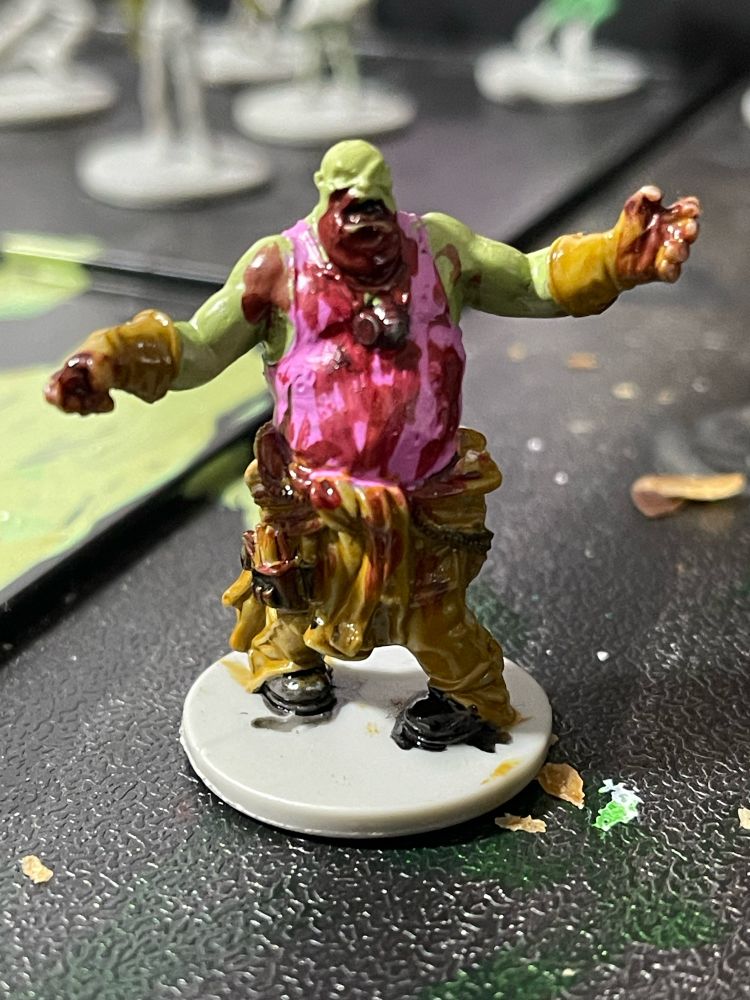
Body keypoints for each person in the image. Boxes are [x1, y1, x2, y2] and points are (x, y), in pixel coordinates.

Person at [45, 139, 700, 752]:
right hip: (312, 496)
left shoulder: (440, 250)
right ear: (325, 197)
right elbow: (197, 347)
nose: (365, 220)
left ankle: (466, 696)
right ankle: (290, 663)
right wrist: (113, 357)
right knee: (292, 597)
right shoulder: (278, 268)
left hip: (421, 497)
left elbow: (530, 281)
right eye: (349, 204)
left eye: (375, 204)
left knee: (434, 617)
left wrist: (612, 258)